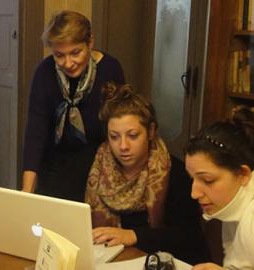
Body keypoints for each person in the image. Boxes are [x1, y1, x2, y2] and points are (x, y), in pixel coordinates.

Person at [85, 82, 210, 264]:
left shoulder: (176, 172)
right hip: (105, 261)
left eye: (133, 135)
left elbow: (188, 236)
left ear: (151, 131)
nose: (123, 146)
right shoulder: (93, 165)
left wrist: (134, 235)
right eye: (114, 137)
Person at [22, 10, 125, 201]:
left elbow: (118, 124)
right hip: (54, 166)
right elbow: (35, 133)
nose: (68, 63)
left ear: (90, 42)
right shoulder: (44, 72)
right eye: (59, 55)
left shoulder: (110, 69)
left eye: (75, 52)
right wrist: (26, 193)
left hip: (97, 166)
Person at [185, 106, 254, 270]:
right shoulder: (234, 206)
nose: (194, 194)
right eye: (192, 179)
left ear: (243, 174)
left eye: (208, 180)